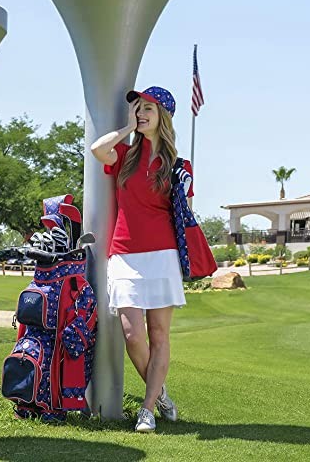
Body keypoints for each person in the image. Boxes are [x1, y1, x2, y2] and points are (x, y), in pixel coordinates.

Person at [90, 86, 192, 433]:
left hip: (162, 255)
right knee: (133, 334)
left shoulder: (179, 166)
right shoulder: (124, 154)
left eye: (149, 108)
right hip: (124, 254)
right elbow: (97, 149)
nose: (142, 113)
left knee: (159, 334)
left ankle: (147, 410)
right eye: (138, 108)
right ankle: (159, 392)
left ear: (164, 116)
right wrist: (127, 128)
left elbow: (184, 216)